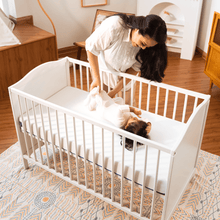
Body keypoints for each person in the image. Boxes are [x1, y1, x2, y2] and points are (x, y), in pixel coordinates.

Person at [85, 13, 167, 99]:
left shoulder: (146, 50)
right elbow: (91, 47)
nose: (143, 48)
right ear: (137, 29)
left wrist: (113, 92)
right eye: (143, 43)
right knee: (101, 101)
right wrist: (96, 78)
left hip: (125, 78)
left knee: (127, 105)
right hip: (103, 72)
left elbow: (134, 69)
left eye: (148, 47)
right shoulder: (115, 25)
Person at [84, 87, 151, 151]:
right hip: (112, 106)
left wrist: (133, 110)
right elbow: (142, 123)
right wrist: (148, 124)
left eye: (134, 119)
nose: (135, 117)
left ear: (127, 126)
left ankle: (92, 103)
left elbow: (120, 109)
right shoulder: (129, 124)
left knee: (100, 92)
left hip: (102, 109)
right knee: (120, 100)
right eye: (137, 119)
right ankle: (99, 99)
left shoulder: (120, 122)